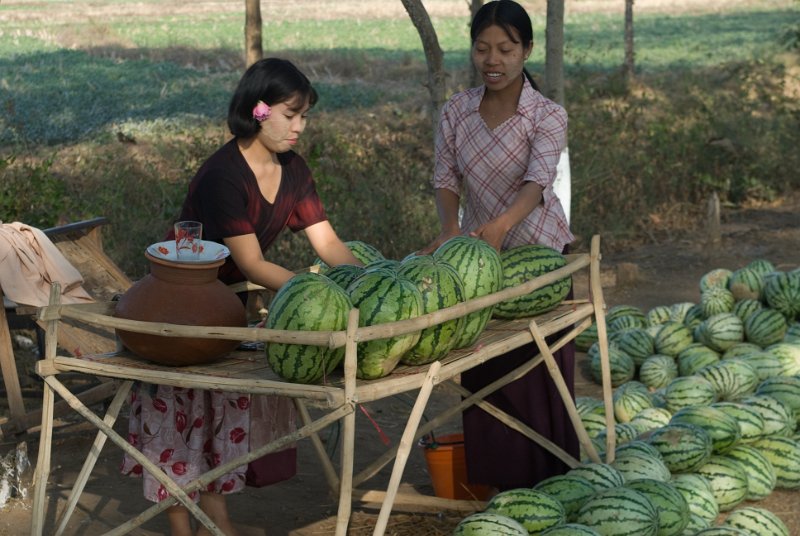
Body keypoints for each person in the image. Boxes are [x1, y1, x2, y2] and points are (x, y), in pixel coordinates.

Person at [121, 58, 362, 536]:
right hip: (183, 305)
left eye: (305, 116)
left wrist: (372, 280)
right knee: (179, 418)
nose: (299, 127)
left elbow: (329, 244)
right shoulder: (223, 175)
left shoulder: (293, 170)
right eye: (290, 115)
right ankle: (180, 530)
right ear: (258, 111)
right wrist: (315, 294)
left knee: (217, 418)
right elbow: (252, 264)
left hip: (230, 309)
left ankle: (219, 524)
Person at [420, 0, 578, 491]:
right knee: (487, 377)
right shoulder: (457, 111)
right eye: (483, 48)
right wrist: (450, 229)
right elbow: (446, 176)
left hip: (540, 260)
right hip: (479, 266)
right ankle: (496, 491)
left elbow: (538, 181)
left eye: (506, 49)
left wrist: (502, 225)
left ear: (526, 51)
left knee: (537, 379)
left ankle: (551, 487)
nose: (494, 59)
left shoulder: (547, 115)